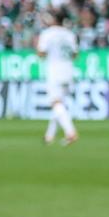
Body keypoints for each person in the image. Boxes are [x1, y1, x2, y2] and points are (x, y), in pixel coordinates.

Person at [36, 8, 80, 147]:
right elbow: (75, 54)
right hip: (68, 70)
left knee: (56, 104)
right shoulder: (69, 34)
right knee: (59, 105)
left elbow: (41, 53)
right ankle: (49, 136)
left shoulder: (47, 34)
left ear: (54, 19)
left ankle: (70, 132)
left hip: (54, 70)